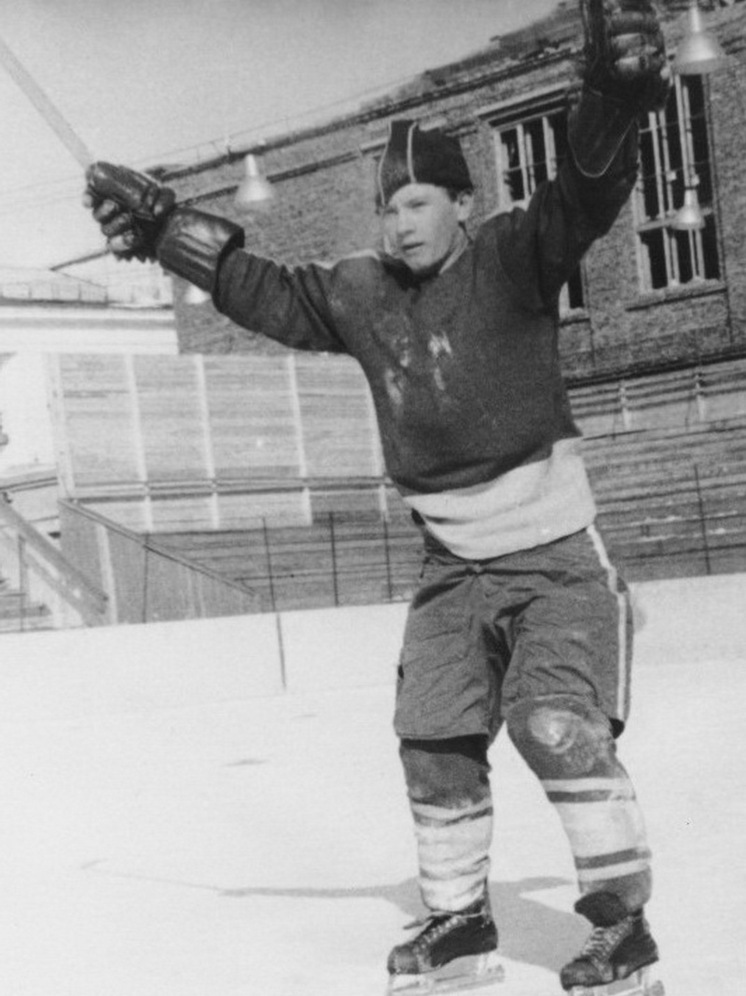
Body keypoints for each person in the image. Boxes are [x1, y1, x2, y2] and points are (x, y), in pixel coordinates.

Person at [83, 2, 670, 991]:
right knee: (431, 743)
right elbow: (265, 290)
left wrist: (612, 99)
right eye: (387, 207)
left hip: (553, 561)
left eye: (417, 202)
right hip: (451, 569)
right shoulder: (361, 291)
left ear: (461, 202)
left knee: (553, 726)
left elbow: (587, 190)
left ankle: (623, 930)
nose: (399, 222)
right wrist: (168, 230)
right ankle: (458, 924)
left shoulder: (515, 254)